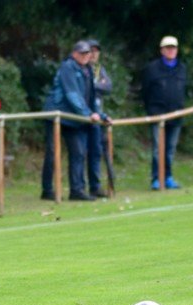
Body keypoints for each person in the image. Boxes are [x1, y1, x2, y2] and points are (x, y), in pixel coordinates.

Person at [41, 40, 109, 201]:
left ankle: (76, 190)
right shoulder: (68, 67)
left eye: (87, 53)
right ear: (74, 53)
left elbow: (91, 98)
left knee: (78, 152)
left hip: (75, 118)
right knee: (52, 153)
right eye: (82, 53)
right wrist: (87, 114)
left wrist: (101, 115)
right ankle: (47, 190)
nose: (86, 56)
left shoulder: (89, 70)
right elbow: (72, 95)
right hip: (57, 115)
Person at [141, 35, 187, 190]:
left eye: (173, 48)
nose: (171, 50)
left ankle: (168, 176)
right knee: (157, 149)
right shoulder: (152, 69)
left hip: (176, 115)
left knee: (170, 149)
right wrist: (152, 110)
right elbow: (145, 92)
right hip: (158, 114)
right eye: (168, 48)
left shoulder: (182, 68)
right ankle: (156, 177)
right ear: (162, 50)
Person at [86, 39, 113, 198]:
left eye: (96, 51)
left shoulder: (99, 69)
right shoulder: (82, 68)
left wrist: (96, 85)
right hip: (86, 115)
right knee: (83, 153)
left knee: (97, 152)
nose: (94, 54)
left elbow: (108, 86)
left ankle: (96, 186)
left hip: (98, 116)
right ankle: (82, 188)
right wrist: (96, 84)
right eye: (91, 50)